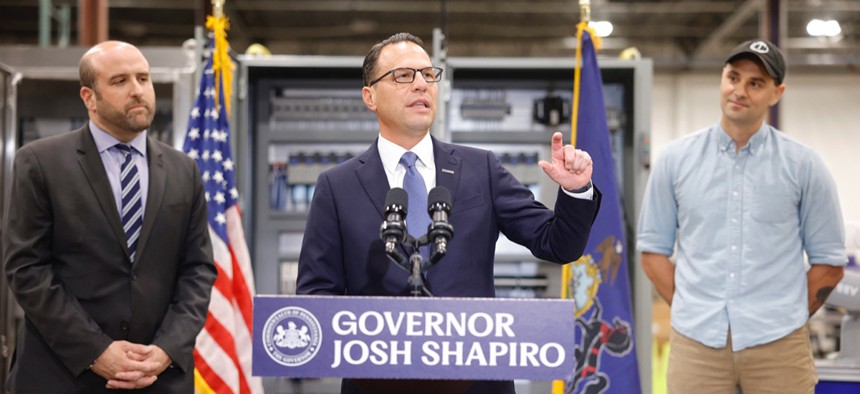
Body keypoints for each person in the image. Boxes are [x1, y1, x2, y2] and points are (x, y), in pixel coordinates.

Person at [296, 32, 601, 394]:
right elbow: (317, 296)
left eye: (428, 75)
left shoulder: (481, 168)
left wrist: (576, 189)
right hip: (376, 384)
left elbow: (558, 244)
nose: (421, 85)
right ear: (370, 96)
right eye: (403, 76)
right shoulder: (337, 185)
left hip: (476, 383)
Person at [3, 41, 217, 392]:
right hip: (62, 376)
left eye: (143, 78)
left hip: (158, 376)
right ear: (89, 97)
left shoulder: (184, 170)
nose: (137, 90)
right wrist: (95, 350)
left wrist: (166, 348)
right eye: (120, 81)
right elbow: (27, 269)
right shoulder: (40, 163)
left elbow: (198, 269)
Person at [637, 39, 847, 393]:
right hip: (696, 346)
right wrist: (695, 307)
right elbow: (652, 252)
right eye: (733, 77)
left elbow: (829, 262)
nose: (740, 90)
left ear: (776, 93)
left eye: (756, 83)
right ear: (722, 78)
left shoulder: (804, 166)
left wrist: (787, 315)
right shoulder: (675, 160)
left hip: (779, 347)